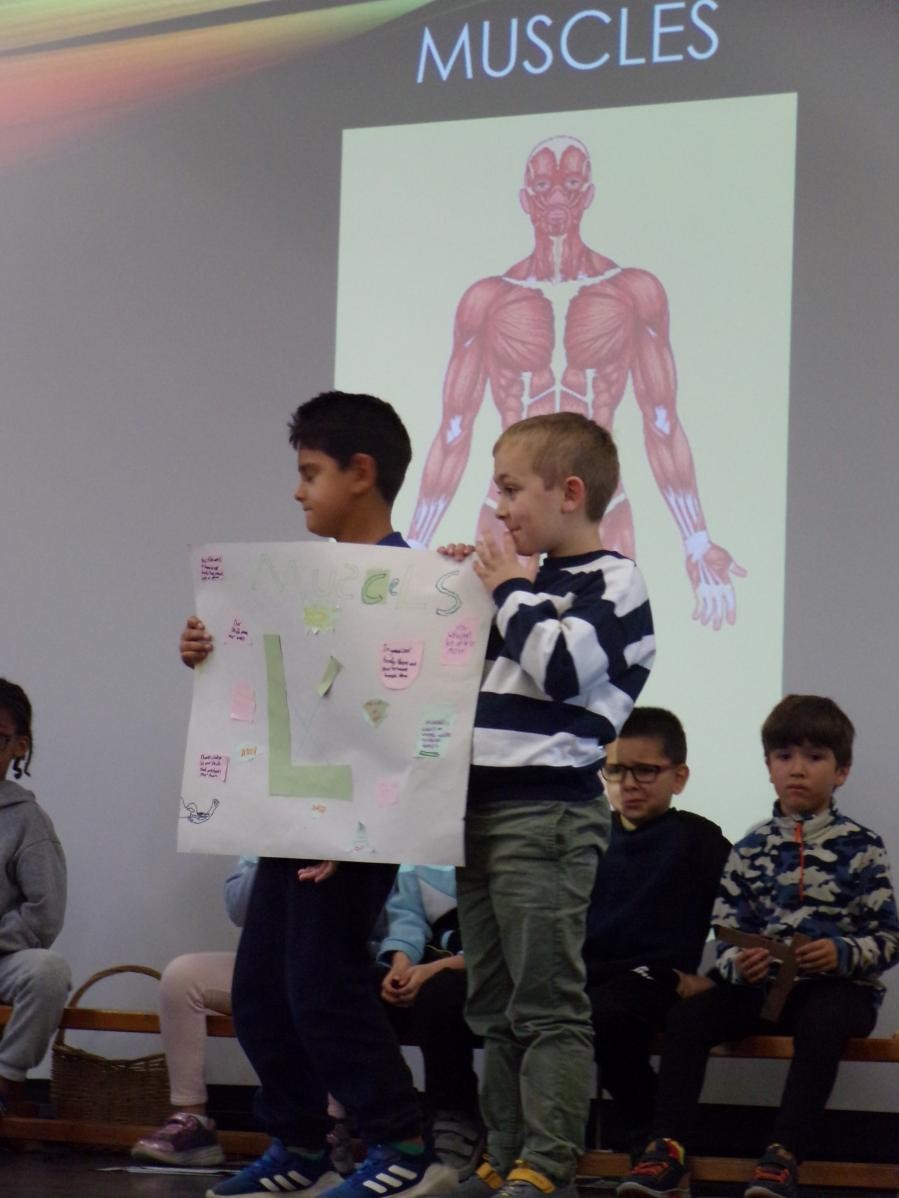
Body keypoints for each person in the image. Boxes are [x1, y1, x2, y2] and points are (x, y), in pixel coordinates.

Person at [180, 392, 454, 1198]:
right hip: (290, 820)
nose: (297, 490)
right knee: (262, 989)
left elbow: (412, 720)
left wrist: (358, 830)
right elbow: (290, 693)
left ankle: (399, 1140)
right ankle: (298, 1144)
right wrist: (210, 651)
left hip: (354, 830)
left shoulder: (416, 586)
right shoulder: (300, 584)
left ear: (360, 473)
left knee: (322, 986)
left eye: (310, 472)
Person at [440, 411, 655, 1198]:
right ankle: (501, 1154)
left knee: (545, 1002)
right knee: (491, 1006)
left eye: (509, 490)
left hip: (546, 814)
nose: (497, 509)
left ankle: (548, 1160)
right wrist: (456, 595)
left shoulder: (613, 584)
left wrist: (504, 587)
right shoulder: (522, 589)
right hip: (475, 811)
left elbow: (561, 669)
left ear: (569, 493)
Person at [408, 134, 744, 630]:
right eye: (544, 184)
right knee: (487, 655)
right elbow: (454, 428)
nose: (557, 197)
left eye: (569, 183)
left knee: (591, 649)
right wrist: (413, 550)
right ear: (526, 198)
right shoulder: (487, 300)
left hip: (600, 513)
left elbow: (661, 420)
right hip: (508, 514)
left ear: (587, 194)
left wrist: (696, 541)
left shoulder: (634, 292)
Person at [619, 695, 899, 1198]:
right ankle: (666, 1149)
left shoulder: (863, 846)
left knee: (824, 1020)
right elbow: (727, 931)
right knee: (689, 1017)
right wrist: (738, 965)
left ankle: (782, 1155)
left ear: (841, 771)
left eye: (815, 757)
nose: (798, 769)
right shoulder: (749, 848)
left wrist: (840, 953)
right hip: (764, 988)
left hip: (838, 991)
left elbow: (888, 937)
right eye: (784, 756)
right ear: (768, 767)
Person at [131, 858, 354, 1172]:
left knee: (317, 985)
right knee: (181, 977)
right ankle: (193, 1121)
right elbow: (236, 906)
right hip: (274, 959)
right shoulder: (276, 835)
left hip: (336, 958)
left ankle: (330, 1127)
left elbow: (381, 914)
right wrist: (276, 859)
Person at [584, 707, 730, 1155]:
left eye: (645, 771)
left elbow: (742, 918)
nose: (628, 784)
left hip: (656, 976)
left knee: (606, 1013)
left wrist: (717, 978)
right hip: (586, 973)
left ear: (678, 777)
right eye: (615, 770)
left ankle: (650, 1129)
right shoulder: (587, 836)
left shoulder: (699, 839)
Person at [377, 865, 483, 1178]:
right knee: (364, 989)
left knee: (440, 994)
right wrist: (400, 964)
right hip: (428, 963)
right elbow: (407, 917)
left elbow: (502, 937)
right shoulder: (423, 856)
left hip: (489, 968)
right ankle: (391, 1123)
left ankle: (455, 1114)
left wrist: (431, 971)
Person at [0, 679, 70, 1114]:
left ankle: (7, 1084)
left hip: (4, 960)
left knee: (49, 971)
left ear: (18, 747)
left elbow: (45, 913)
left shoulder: (28, 821)